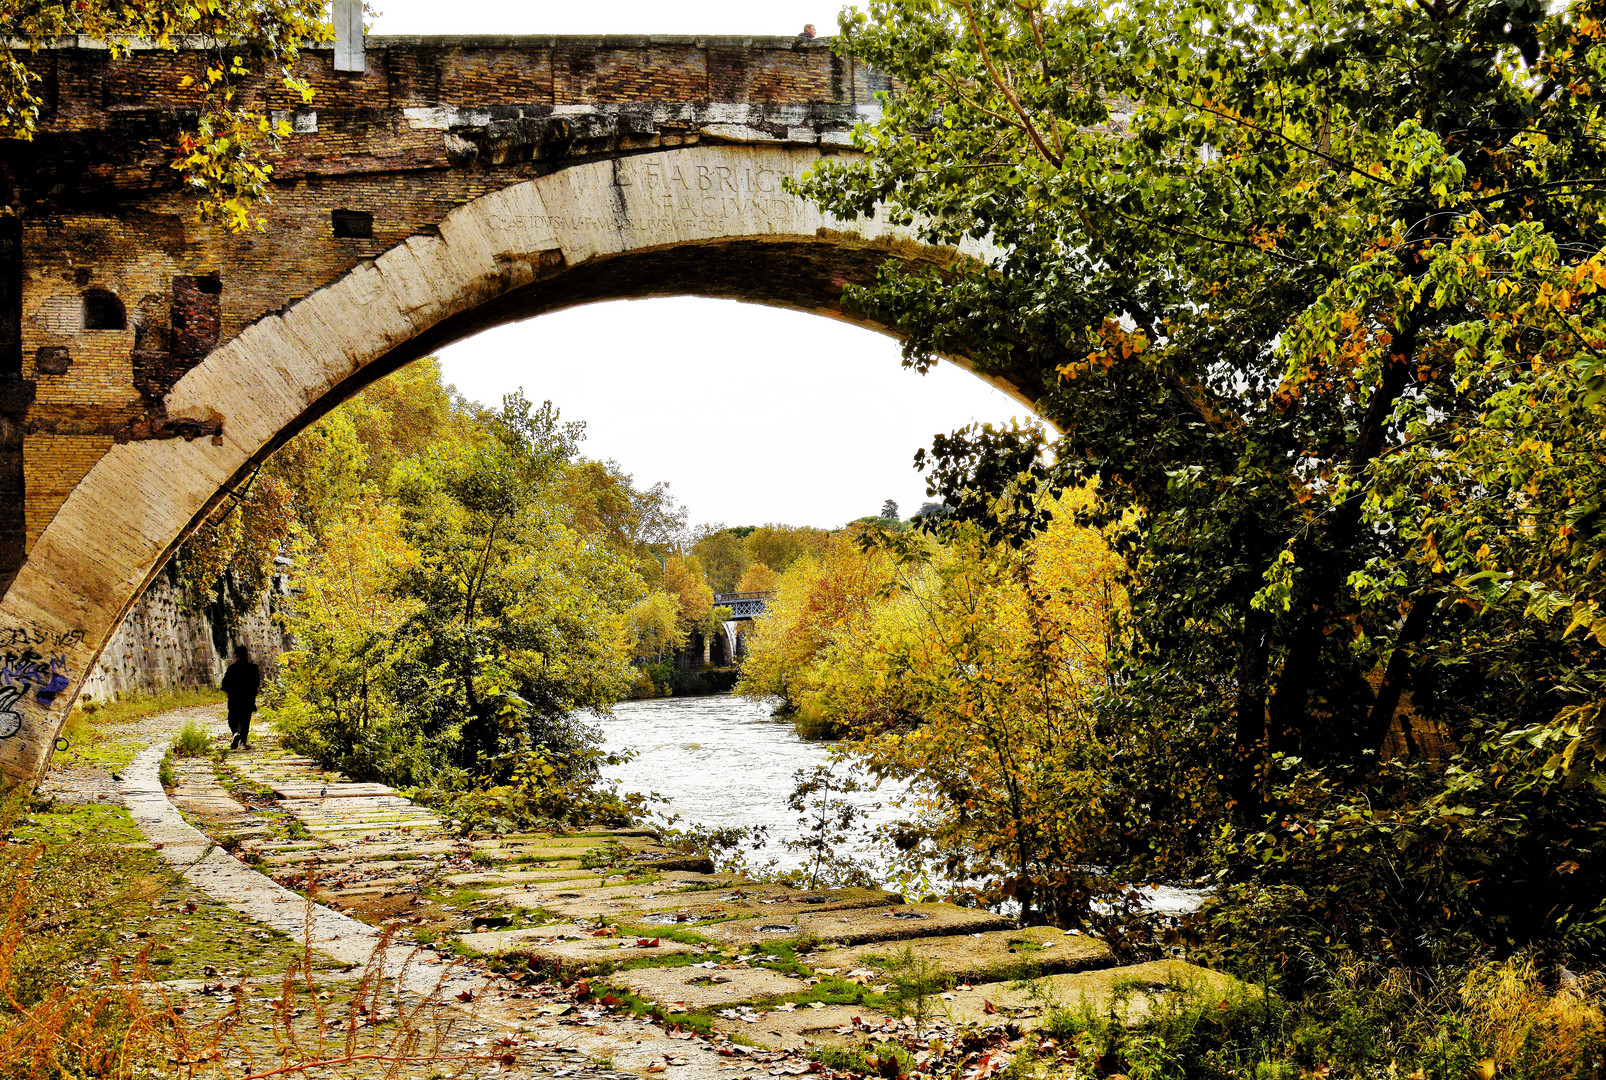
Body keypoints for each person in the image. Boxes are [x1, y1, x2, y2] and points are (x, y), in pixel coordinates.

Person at [221, 645, 262, 750]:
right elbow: (256, 683)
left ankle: (235, 733)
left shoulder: (232, 669)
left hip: (234, 699)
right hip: (248, 699)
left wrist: (230, 691)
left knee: (232, 719)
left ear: (236, 655)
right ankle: (243, 742)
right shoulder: (253, 668)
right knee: (245, 720)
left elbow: (224, 684)